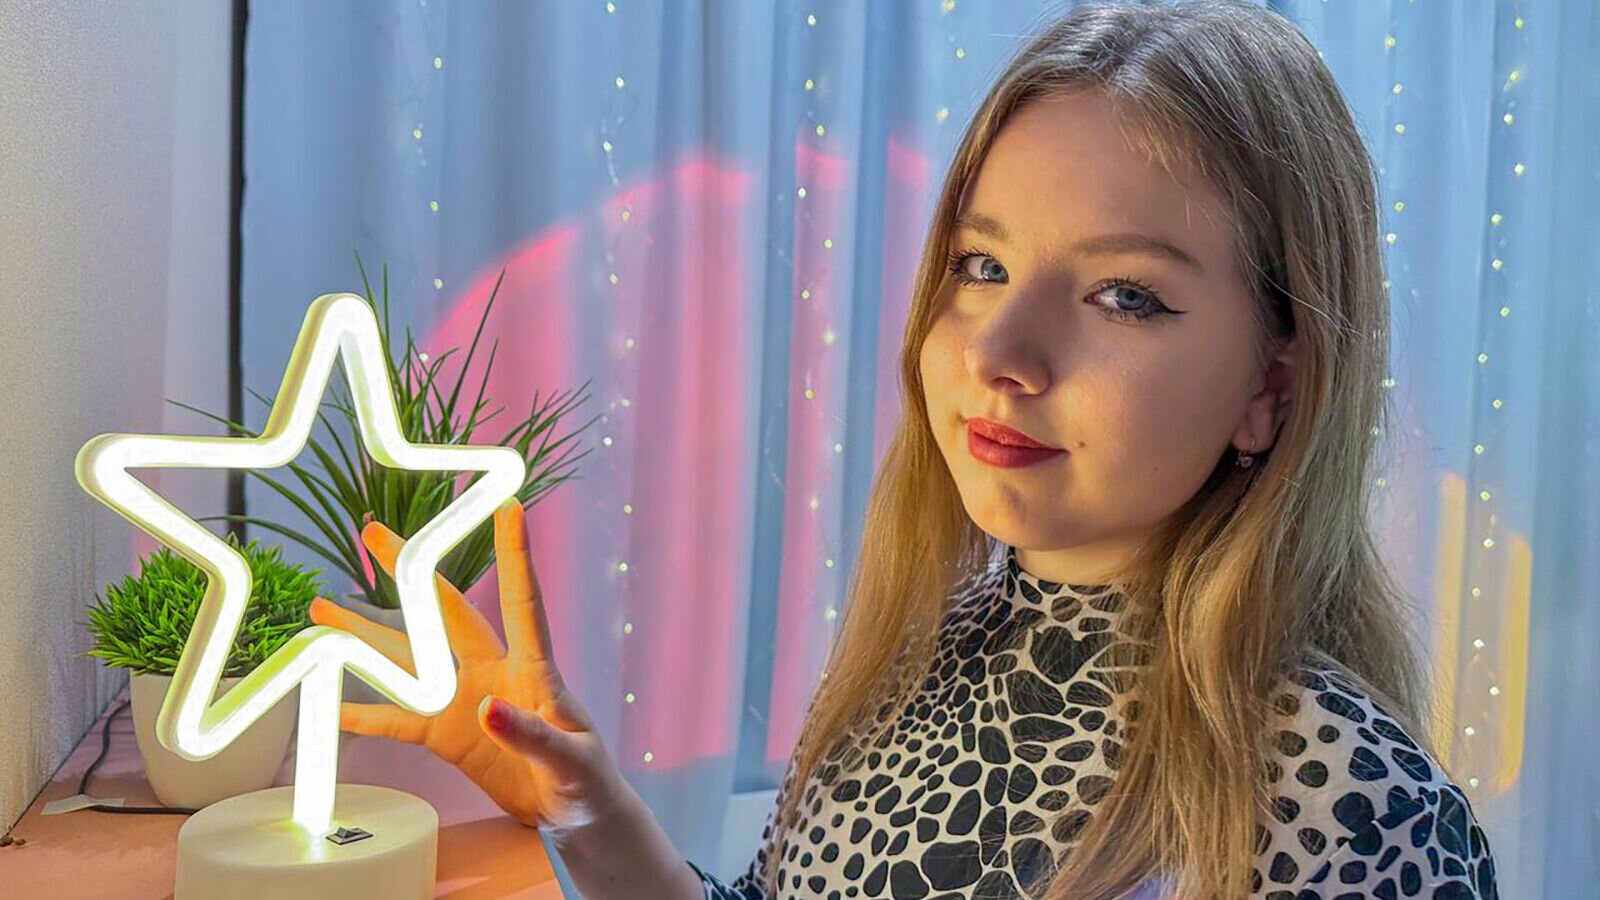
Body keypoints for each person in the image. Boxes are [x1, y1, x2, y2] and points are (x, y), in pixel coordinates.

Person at [308, 0, 1499, 896]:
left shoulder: (1341, 800)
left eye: (1124, 295)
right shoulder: (915, 652)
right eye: (982, 266)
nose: (1000, 351)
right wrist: (584, 803)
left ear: (1271, 389)